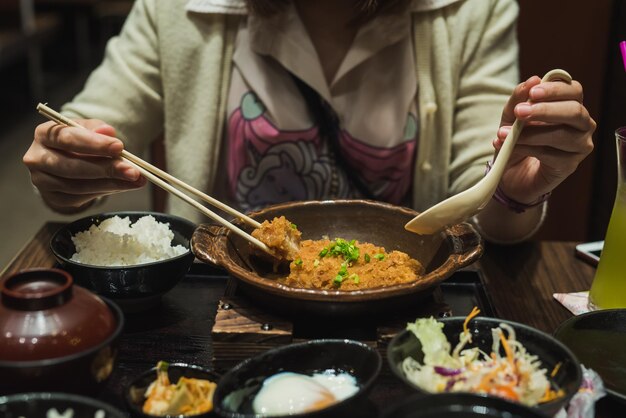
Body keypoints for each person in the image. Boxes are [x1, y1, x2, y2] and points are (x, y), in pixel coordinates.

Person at [23, 0, 595, 244]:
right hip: (218, 310)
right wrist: (67, 163)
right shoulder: (182, 7)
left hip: (396, 318)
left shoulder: (469, 9)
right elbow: (89, 128)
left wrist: (513, 192)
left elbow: (479, 205)